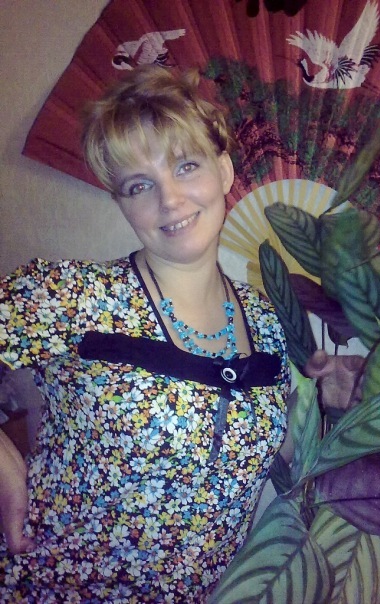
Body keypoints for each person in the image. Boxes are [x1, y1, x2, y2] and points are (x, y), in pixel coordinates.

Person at [0, 65, 291, 602]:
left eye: (186, 166)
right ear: (122, 203)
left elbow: (269, 444)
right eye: (139, 185)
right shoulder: (73, 294)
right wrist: (4, 464)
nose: (170, 200)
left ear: (224, 170)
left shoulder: (268, 322)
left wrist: (339, 398)